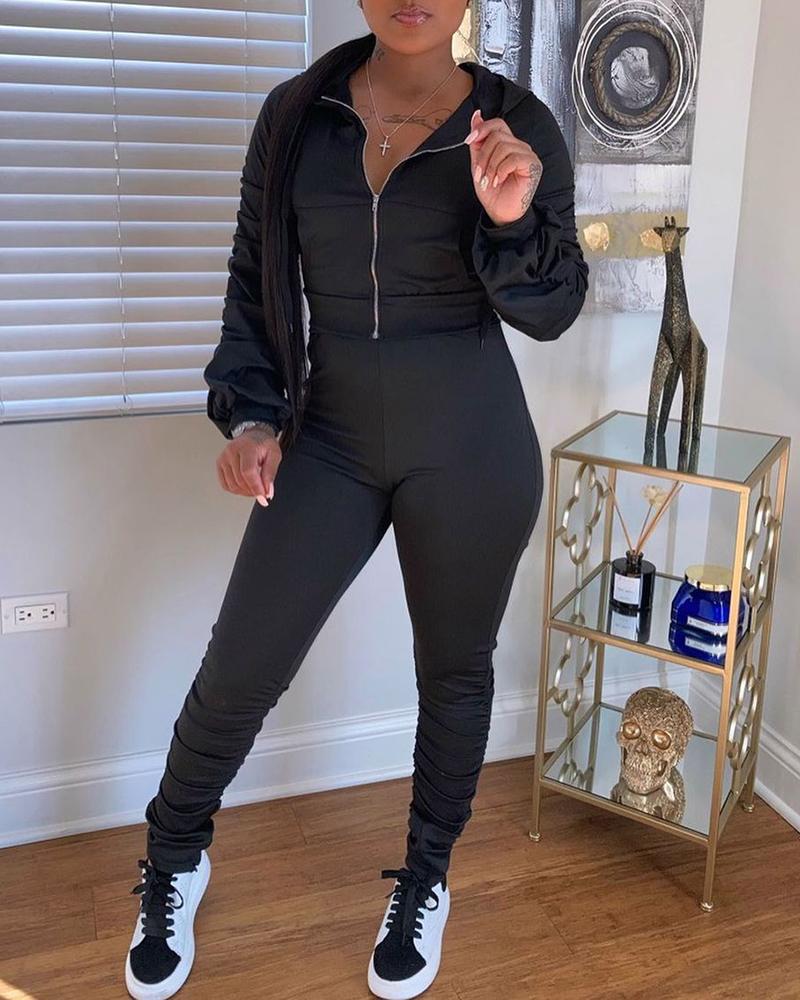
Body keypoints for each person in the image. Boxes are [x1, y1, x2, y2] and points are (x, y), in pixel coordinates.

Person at [124, 2, 589, 998]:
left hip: (470, 442)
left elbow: (553, 309)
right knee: (240, 668)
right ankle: (173, 857)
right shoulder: (297, 112)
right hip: (327, 437)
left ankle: (425, 879)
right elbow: (254, 279)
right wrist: (253, 418)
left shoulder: (518, 125)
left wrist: (510, 218)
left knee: (453, 674)